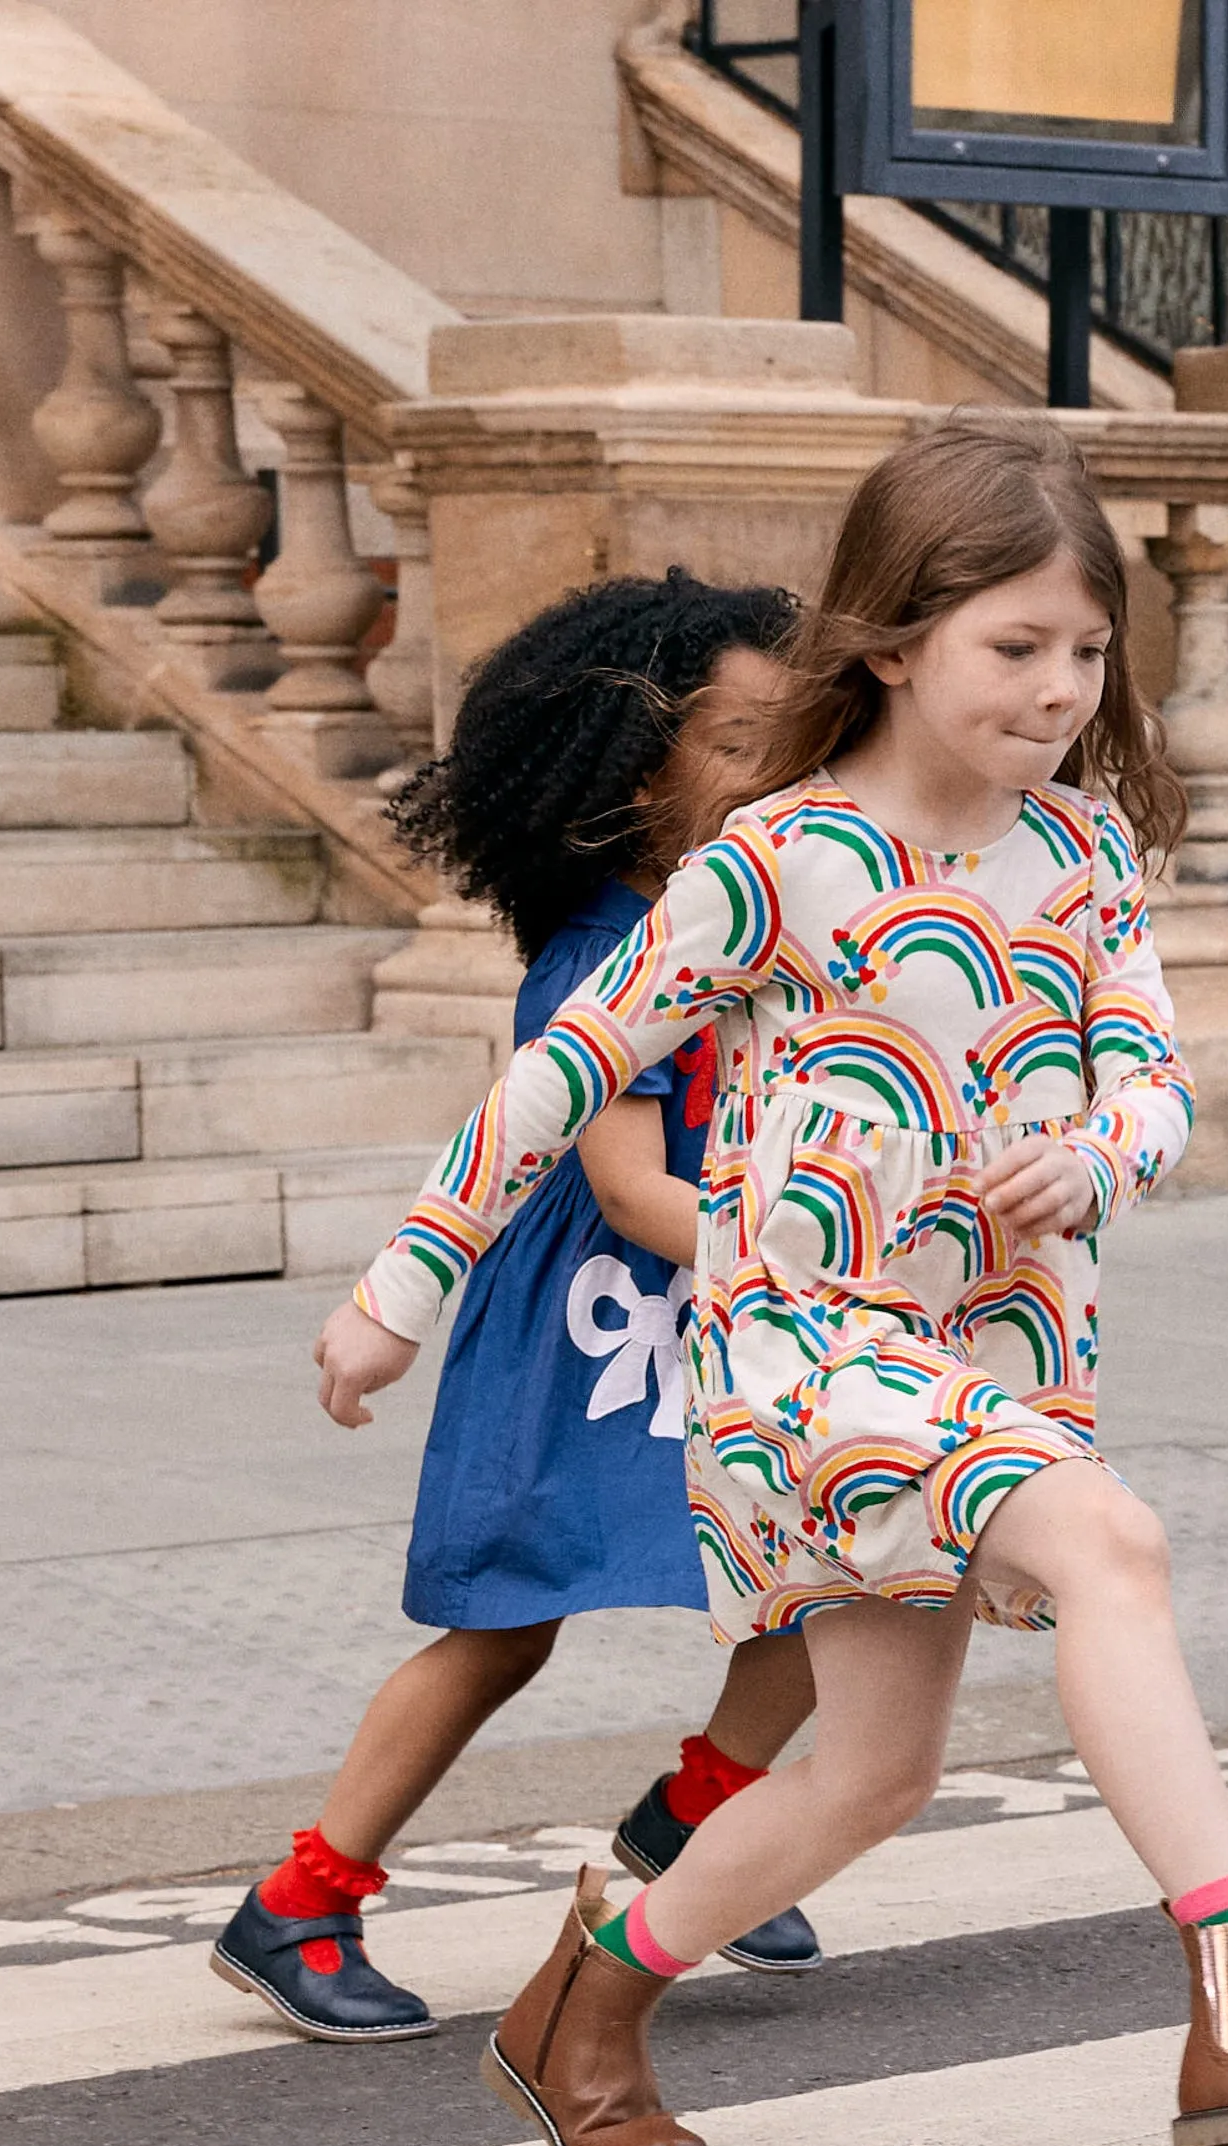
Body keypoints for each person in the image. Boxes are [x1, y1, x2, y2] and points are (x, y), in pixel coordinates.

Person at [314, 419, 1228, 2146]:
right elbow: (564, 1069)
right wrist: (397, 1289)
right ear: (892, 640)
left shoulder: (1087, 853)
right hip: (802, 1350)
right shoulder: (779, 859)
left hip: (994, 1353)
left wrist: (1105, 1156)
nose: (1060, 688)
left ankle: (580, 2006)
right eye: (1015, 646)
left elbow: (1154, 1079)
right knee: (1111, 1547)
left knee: (872, 1775)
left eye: (1087, 649)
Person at [213, 572, 828, 2048]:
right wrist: (817, 1253)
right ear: (628, 773)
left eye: (792, 743)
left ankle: (696, 1818)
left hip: (714, 1313)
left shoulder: (741, 917)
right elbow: (624, 1189)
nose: (779, 777)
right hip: (591, 1328)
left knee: (832, 1568)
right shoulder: (600, 949)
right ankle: (300, 1897)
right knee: (508, 1623)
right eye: (742, 746)